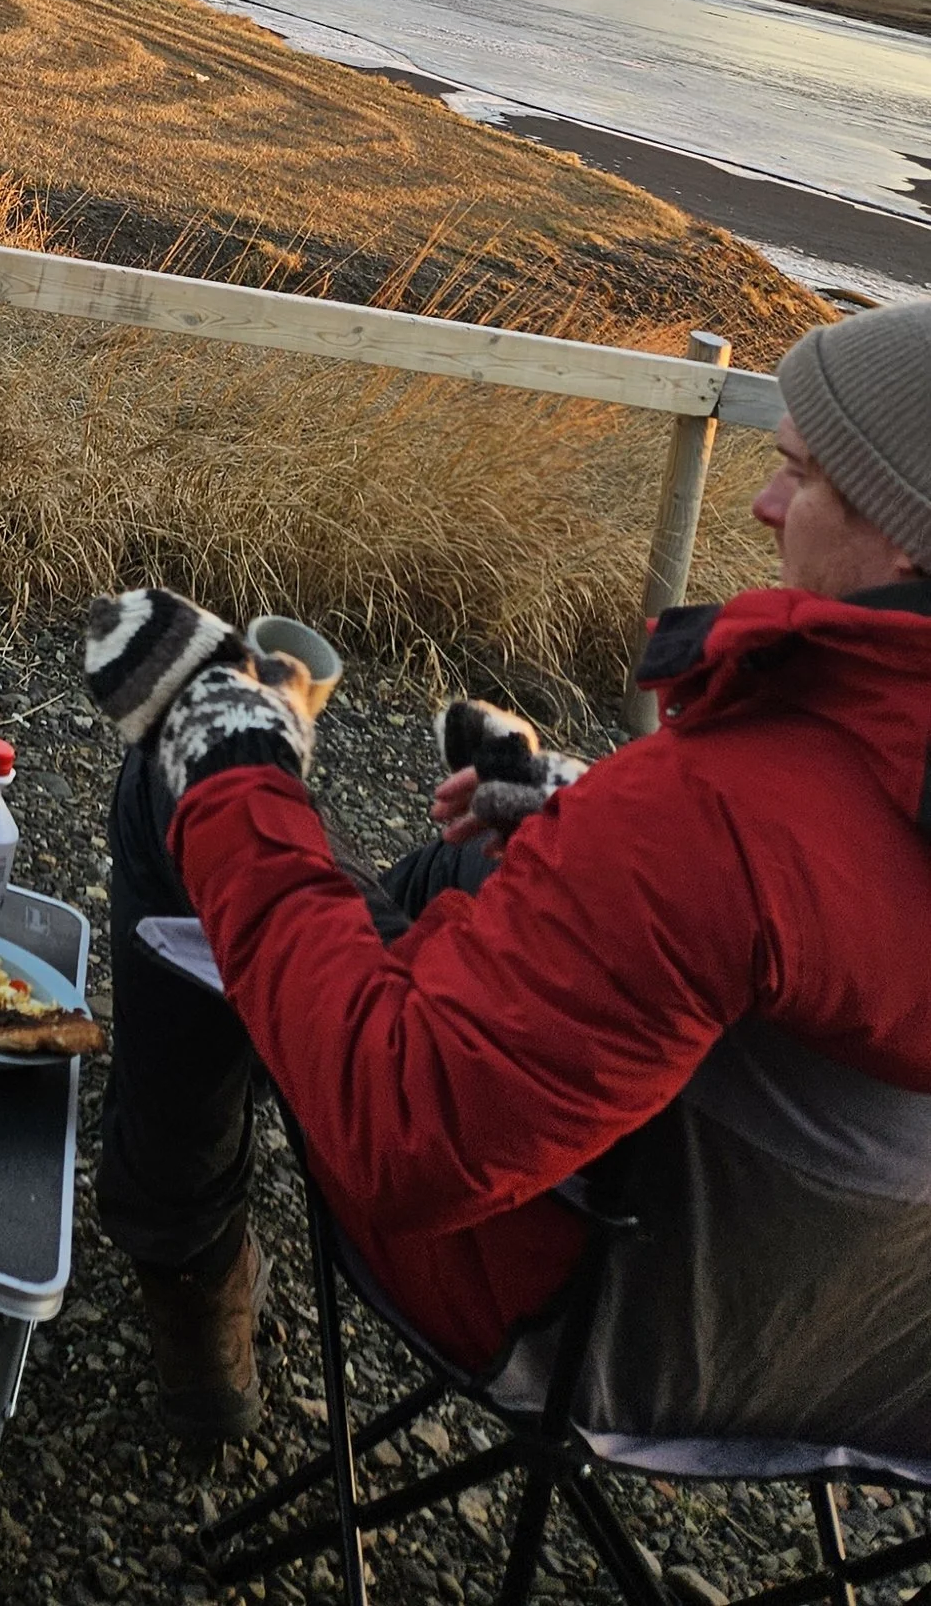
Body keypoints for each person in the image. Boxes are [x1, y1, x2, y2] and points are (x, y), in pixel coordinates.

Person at [83, 296, 931, 1447]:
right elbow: (833, 935)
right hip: (869, 1377)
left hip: (580, 1322)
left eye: (803, 476)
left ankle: (188, 1273)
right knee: (451, 872)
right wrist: (582, 834)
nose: (762, 502)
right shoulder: (754, 825)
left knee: (182, 790)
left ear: (907, 541)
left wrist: (237, 769)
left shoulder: (720, 821)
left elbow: (400, 1132)